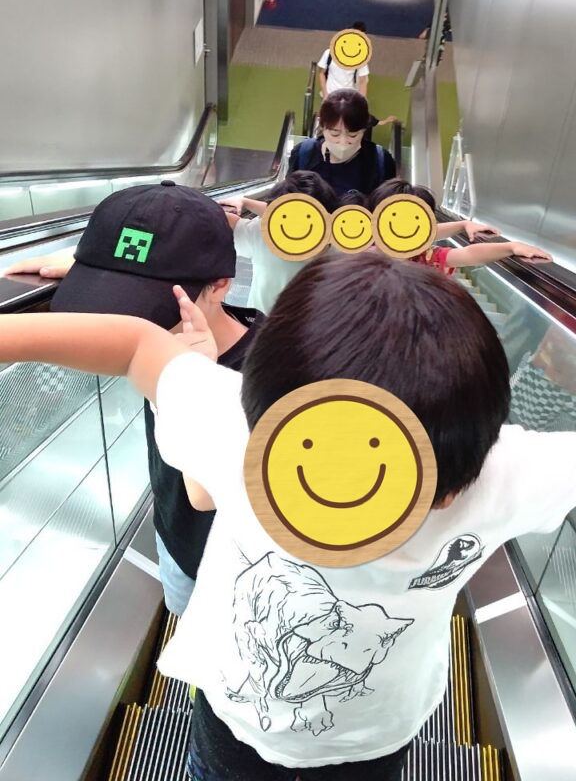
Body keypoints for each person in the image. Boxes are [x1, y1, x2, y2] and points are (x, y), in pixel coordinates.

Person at [3, 254, 576, 780]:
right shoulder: (496, 473)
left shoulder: (240, 429)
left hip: (344, 737)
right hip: (285, 727)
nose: (344, 512)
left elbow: (136, 347)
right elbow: (135, 344)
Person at [4, 182, 264, 617]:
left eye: (143, 308)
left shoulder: (268, 375)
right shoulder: (181, 333)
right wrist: (104, 268)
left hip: (233, 575)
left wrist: (192, 384)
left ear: (220, 285)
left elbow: (210, 495)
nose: (117, 322)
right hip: (174, 537)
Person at [368, 179, 551, 274]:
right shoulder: (364, 256)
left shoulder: (428, 258)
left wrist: (511, 247)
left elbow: (469, 254)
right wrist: (463, 224)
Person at [220, 171, 338, 315]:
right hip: (274, 326)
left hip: (269, 324)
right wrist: (244, 201)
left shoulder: (264, 235)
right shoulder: (264, 234)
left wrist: (245, 201)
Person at [289, 91, 396, 198]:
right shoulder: (303, 154)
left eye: (352, 135)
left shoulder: (380, 161)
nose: (343, 142)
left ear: (364, 130)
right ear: (322, 127)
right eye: (334, 134)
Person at [317, 21, 370, 99]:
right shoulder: (329, 53)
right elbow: (322, 73)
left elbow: (363, 81)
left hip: (349, 98)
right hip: (330, 96)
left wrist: (362, 102)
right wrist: (325, 94)